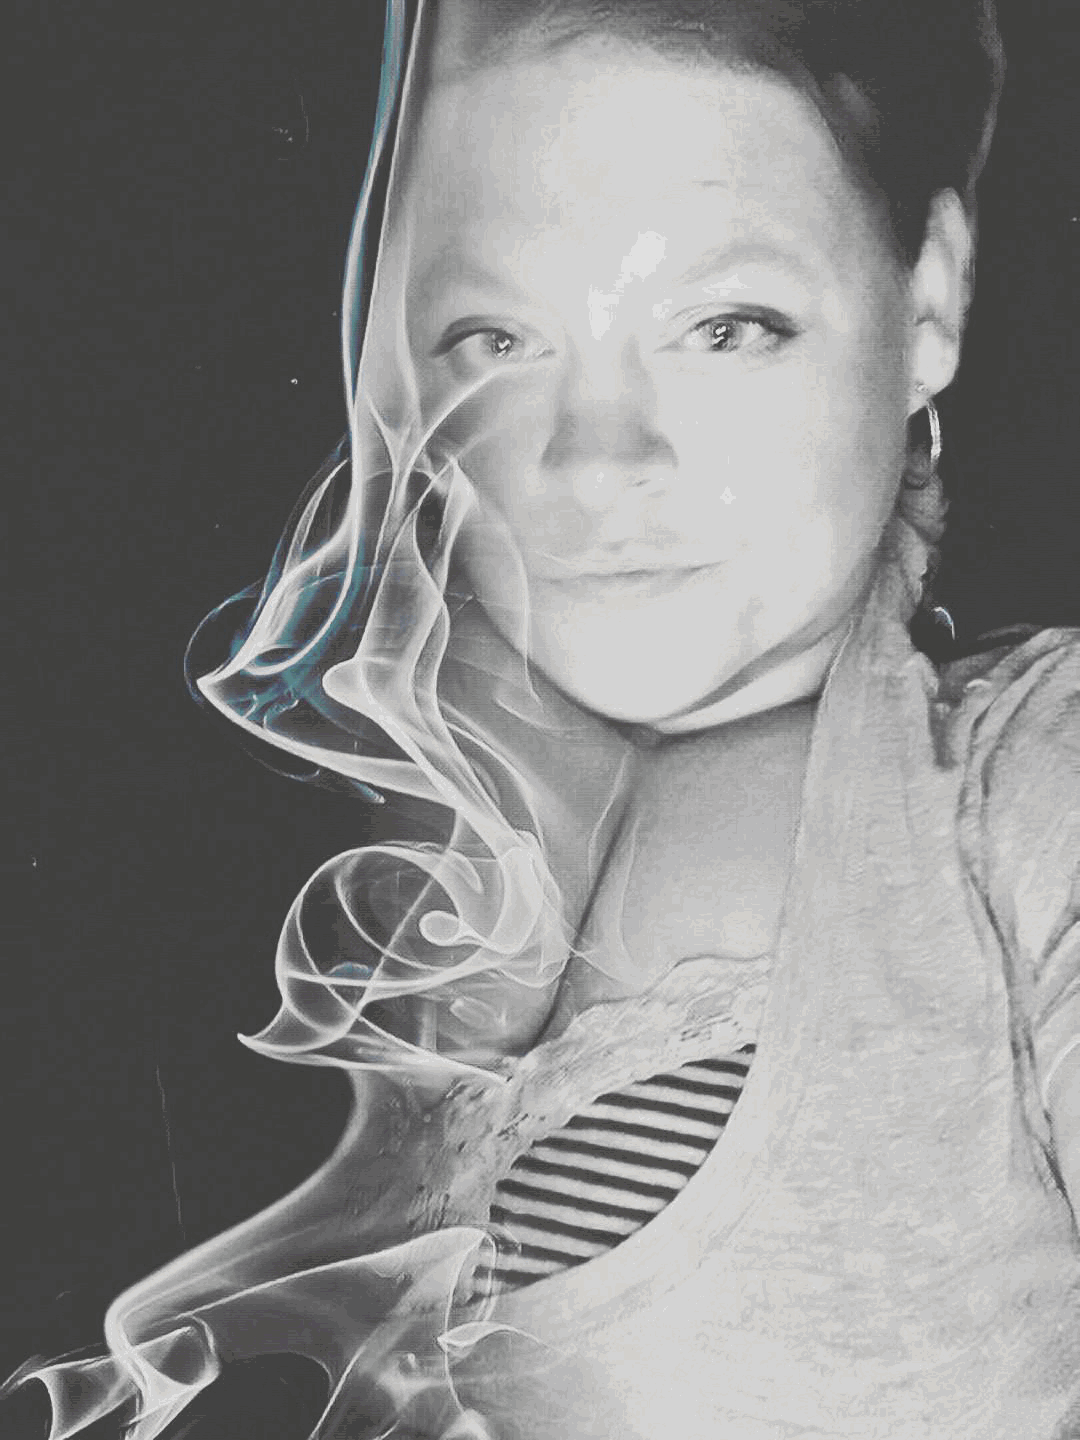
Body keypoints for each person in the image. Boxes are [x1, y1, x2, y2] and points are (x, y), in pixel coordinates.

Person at [8, 0, 1080, 1436]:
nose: (594, 459)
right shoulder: (304, 875)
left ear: (929, 300)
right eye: (498, 337)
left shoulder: (1027, 785)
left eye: (725, 326)